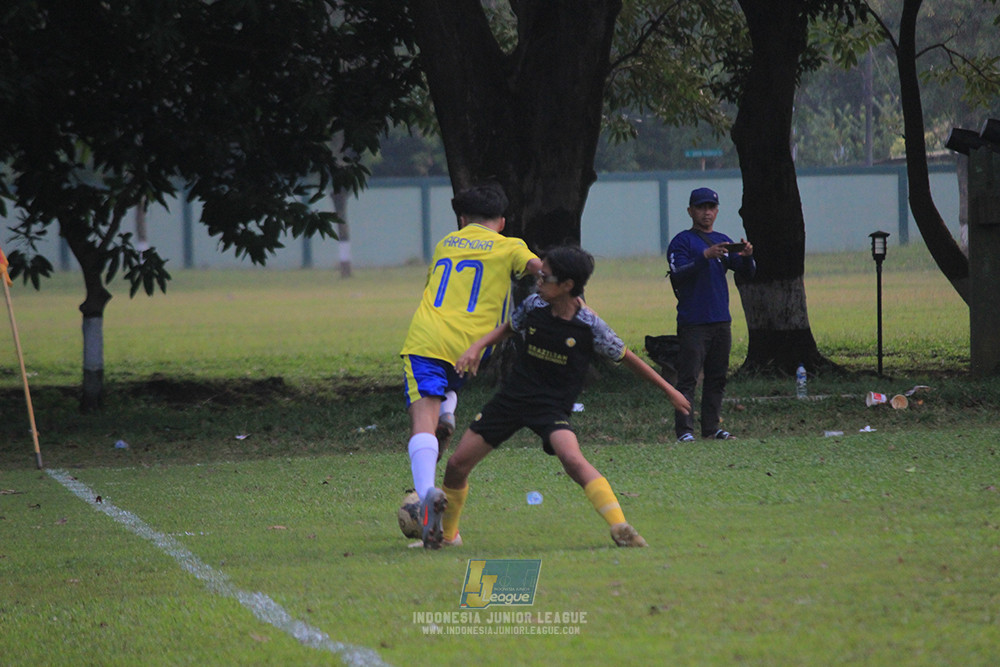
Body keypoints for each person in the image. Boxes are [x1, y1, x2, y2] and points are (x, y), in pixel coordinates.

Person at [428, 245, 690, 550]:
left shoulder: (591, 326)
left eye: (546, 276)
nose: (539, 280)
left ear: (567, 285)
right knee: (457, 464)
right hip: (512, 398)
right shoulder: (533, 305)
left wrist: (670, 391)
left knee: (572, 459)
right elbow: (508, 329)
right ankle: (448, 537)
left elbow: (628, 358)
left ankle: (620, 527)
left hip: (550, 406)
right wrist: (476, 348)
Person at [399, 181, 542, 548]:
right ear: (503, 221)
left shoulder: (447, 242)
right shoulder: (509, 245)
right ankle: (448, 410)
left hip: (428, 339)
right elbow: (538, 268)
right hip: (474, 347)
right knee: (445, 391)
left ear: (462, 218)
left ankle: (427, 499)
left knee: (421, 422)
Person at [667, 187, 755, 442]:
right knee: (688, 378)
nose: (707, 213)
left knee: (717, 377)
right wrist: (704, 256)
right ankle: (684, 431)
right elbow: (678, 273)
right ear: (690, 211)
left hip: (721, 320)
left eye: (711, 208)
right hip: (693, 321)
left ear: (717, 211)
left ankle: (711, 427)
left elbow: (746, 272)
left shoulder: (723, 239)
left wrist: (747, 256)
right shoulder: (682, 241)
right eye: (701, 208)